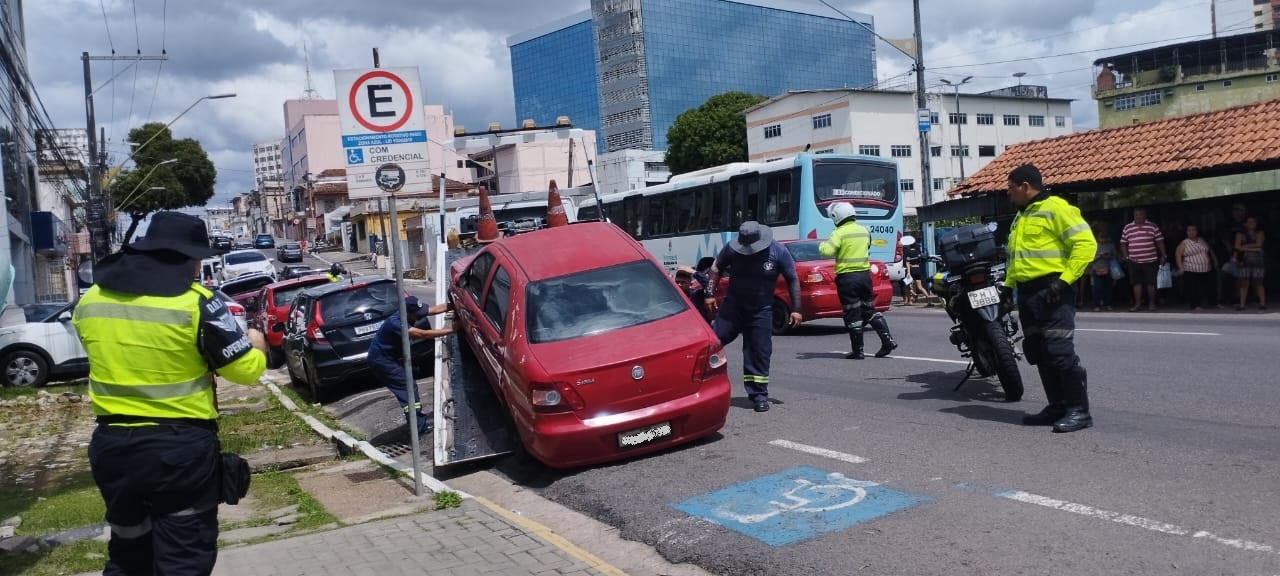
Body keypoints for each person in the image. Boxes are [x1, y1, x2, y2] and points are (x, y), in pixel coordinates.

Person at [72, 211, 269, 575]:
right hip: (178, 453)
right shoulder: (198, 302)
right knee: (183, 557)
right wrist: (256, 344)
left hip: (113, 449)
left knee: (128, 554)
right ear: (190, 258)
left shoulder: (94, 299)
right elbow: (244, 371)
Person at [1003, 165, 1096, 431]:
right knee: (1039, 352)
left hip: (1054, 291)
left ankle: (1079, 411)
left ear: (1024, 186)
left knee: (1060, 353)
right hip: (1029, 292)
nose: (1008, 194)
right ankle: (1057, 406)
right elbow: (1016, 258)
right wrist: (1008, 289)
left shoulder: (1056, 208)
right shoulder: (1020, 217)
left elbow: (1085, 244)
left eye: (1011, 188)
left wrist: (1063, 282)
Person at [703, 221, 801, 412]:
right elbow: (715, 269)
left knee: (759, 352)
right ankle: (698, 383)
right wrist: (708, 294)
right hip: (733, 307)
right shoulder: (731, 249)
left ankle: (759, 396)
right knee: (711, 343)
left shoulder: (778, 252)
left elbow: (792, 278)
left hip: (761, 310)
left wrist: (796, 309)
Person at [821, 202, 897, 359]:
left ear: (837, 217)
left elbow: (826, 251)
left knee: (852, 313)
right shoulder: (863, 230)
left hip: (847, 279)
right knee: (869, 310)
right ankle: (887, 340)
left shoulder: (839, 233)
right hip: (864, 276)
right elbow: (867, 246)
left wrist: (823, 244)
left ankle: (858, 351)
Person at [367, 295, 454, 434]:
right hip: (382, 361)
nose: (419, 317)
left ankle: (416, 423)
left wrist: (454, 305)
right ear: (408, 313)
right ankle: (418, 427)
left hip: (389, 357)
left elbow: (432, 310)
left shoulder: (408, 312)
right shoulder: (397, 323)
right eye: (417, 315)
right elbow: (423, 334)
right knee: (407, 387)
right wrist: (453, 329)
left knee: (408, 386)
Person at [1120, 207, 1167, 311]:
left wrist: (1164, 255)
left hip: (1151, 260)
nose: (1138, 216)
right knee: (1136, 283)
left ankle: (1151, 304)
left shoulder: (1152, 226)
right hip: (1133, 260)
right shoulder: (1128, 227)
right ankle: (1137, 304)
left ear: (1145, 215)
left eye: (1141, 214)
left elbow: (1160, 241)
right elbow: (1123, 243)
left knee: (1151, 283)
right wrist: (1126, 256)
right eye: (1136, 214)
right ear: (1134, 215)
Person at [1175, 224, 1219, 311]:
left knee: (1210, 287)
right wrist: (1180, 267)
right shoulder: (1184, 243)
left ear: (1197, 231)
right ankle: (1195, 305)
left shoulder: (1202, 240)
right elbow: (1178, 255)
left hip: (1206, 268)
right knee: (1193, 288)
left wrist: (1215, 261)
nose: (1191, 232)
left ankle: (1213, 303)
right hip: (1191, 269)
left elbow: (1209, 250)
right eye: (1189, 230)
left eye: (1193, 230)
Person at [1234, 216, 1267, 310]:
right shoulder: (1240, 234)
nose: (1251, 223)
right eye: (1249, 222)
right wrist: (1254, 249)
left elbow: (1259, 244)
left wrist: (1243, 246)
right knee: (1244, 282)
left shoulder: (1260, 233)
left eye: (1253, 222)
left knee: (1259, 282)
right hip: (1244, 261)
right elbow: (1236, 246)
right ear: (1245, 224)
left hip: (1258, 260)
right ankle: (1242, 304)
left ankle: (1262, 303)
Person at [1089, 223, 1117, 311]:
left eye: (1105, 237)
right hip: (1096, 269)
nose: (1103, 239)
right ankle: (1096, 305)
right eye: (1101, 237)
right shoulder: (1093, 246)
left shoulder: (1110, 245)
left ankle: (1107, 304)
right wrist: (1098, 257)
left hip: (1108, 269)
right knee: (1097, 288)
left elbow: (1115, 256)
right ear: (1097, 237)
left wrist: (1108, 256)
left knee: (1108, 288)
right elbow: (1089, 259)